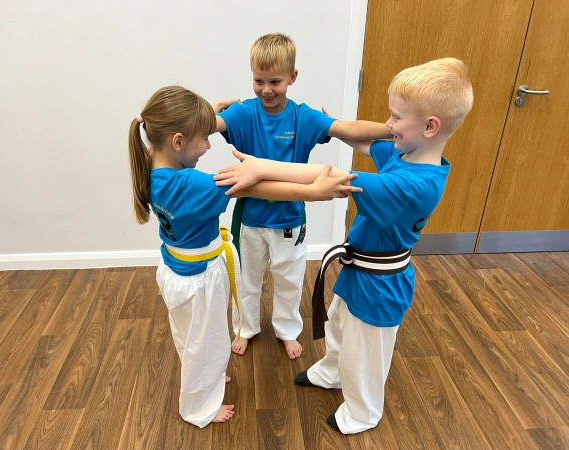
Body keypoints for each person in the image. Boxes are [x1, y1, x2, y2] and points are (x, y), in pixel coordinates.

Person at [215, 58, 474, 434]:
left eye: (397, 118)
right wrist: (335, 127)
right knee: (338, 326)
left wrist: (262, 167)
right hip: (360, 269)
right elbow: (369, 143)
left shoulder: (415, 184)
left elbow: (334, 177)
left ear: (430, 126)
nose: (389, 125)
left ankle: (362, 412)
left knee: (364, 352)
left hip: (381, 283)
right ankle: (331, 372)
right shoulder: (406, 155)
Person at [127, 85, 361, 428]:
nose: (208, 145)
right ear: (177, 142)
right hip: (198, 280)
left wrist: (208, 110)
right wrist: (312, 192)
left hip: (176, 273)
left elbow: (177, 132)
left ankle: (207, 374)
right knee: (203, 342)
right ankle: (199, 408)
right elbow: (257, 186)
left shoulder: (149, 160)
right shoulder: (190, 184)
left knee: (192, 337)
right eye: (204, 139)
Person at [214, 32, 392, 359]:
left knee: (290, 280)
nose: (266, 89)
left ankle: (286, 329)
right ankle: (245, 327)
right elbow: (208, 125)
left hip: (290, 220)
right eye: (258, 80)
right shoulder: (243, 113)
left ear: (292, 77)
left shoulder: (303, 117)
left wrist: (393, 128)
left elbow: (348, 129)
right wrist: (212, 108)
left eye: (275, 81)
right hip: (249, 220)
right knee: (246, 280)